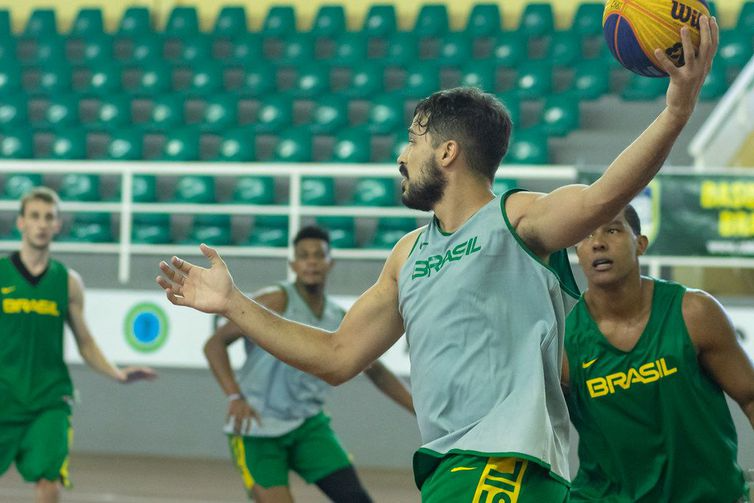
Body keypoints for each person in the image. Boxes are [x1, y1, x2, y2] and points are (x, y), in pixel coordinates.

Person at [157, 18, 718, 502]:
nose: (402, 157)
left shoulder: (516, 218)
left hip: (501, 466)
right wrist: (232, 303)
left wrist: (675, 112)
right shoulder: (408, 254)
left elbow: (599, 199)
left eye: (412, 140)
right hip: (451, 467)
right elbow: (335, 356)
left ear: (447, 152)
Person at [203, 225, 413, 503]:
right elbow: (214, 344)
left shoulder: (338, 318)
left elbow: (376, 371)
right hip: (257, 428)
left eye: (318, 255)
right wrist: (234, 394)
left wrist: (417, 407)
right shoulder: (275, 300)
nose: (311, 261)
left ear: (330, 262)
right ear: (293, 264)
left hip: (307, 426)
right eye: (304, 255)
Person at [563, 205, 754, 502]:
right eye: (586, 235)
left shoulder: (695, 313)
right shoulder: (562, 341)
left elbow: (750, 397)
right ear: (578, 250)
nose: (597, 242)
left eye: (612, 230)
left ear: (640, 244)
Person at [0, 187, 156, 503]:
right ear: (21, 223)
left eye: (49, 217)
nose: (42, 224)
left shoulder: (67, 281)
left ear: (58, 225)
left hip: (48, 398)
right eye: (35, 216)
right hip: (4, 396)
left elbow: (85, 342)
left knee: (50, 481)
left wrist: (117, 374)